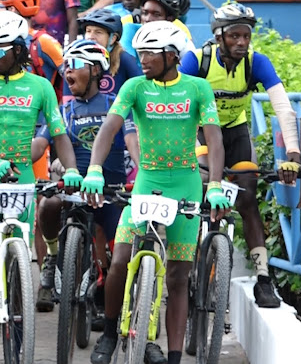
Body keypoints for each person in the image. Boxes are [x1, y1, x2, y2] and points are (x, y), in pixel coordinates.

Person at [84, 20, 230, 364]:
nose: (142, 59)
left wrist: (216, 185)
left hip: (187, 184)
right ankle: (108, 333)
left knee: (178, 276)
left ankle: (174, 355)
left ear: (172, 56)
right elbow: (109, 128)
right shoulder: (134, 86)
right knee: (120, 260)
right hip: (148, 181)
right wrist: (93, 168)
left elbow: (214, 139)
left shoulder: (197, 89)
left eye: (150, 53)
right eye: (141, 52)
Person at [0, 10, 81, 364]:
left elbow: (59, 135)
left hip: (21, 184)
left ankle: (19, 346)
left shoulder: (40, 87)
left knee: (21, 267)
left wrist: (72, 171)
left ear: (20, 50)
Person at [179, 2, 301, 309]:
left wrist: (294, 154)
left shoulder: (256, 63)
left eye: (246, 36)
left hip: (235, 132)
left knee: (247, 197)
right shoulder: (196, 61)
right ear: (219, 36)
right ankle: (188, 264)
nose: (241, 43)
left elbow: (283, 107)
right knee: (206, 185)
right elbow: (175, 103)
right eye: (234, 36)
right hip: (199, 133)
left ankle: (263, 278)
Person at [32, 39, 138, 316]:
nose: (68, 71)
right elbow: (40, 145)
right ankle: (53, 255)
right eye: (66, 65)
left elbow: (131, 138)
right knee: (49, 205)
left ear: (96, 71)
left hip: (112, 190)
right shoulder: (63, 110)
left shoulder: (116, 105)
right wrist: (11, 160)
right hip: (74, 188)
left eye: (76, 65)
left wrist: (144, 172)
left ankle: (113, 298)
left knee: (122, 257)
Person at [0, 0, 64, 98]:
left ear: (11, 9)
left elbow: (70, 73)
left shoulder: (43, 41)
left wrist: (65, 105)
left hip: (40, 109)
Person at [72, 8, 141, 99]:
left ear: (113, 38)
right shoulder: (76, 59)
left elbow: (142, 91)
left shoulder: (124, 59)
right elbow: (68, 101)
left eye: (98, 32)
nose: (91, 37)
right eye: (88, 31)